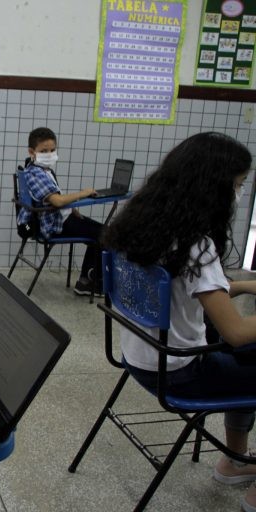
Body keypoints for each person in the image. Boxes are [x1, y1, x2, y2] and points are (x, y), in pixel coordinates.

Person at [102, 131, 256, 511]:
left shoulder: (139, 224)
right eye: (237, 185)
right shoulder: (196, 244)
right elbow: (236, 333)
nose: (237, 195)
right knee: (247, 350)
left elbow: (182, 291)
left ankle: (236, 460)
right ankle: (241, 468)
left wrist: (238, 287)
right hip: (181, 374)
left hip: (139, 359)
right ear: (212, 188)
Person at [16, 127, 104, 295]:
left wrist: (71, 209)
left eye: (53, 150)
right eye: (44, 151)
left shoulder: (43, 170)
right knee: (105, 235)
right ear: (32, 151)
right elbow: (56, 201)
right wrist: (84, 193)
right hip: (53, 224)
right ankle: (89, 283)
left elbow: (57, 199)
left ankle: (88, 279)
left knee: (102, 232)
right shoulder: (36, 174)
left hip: (61, 217)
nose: (49, 154)